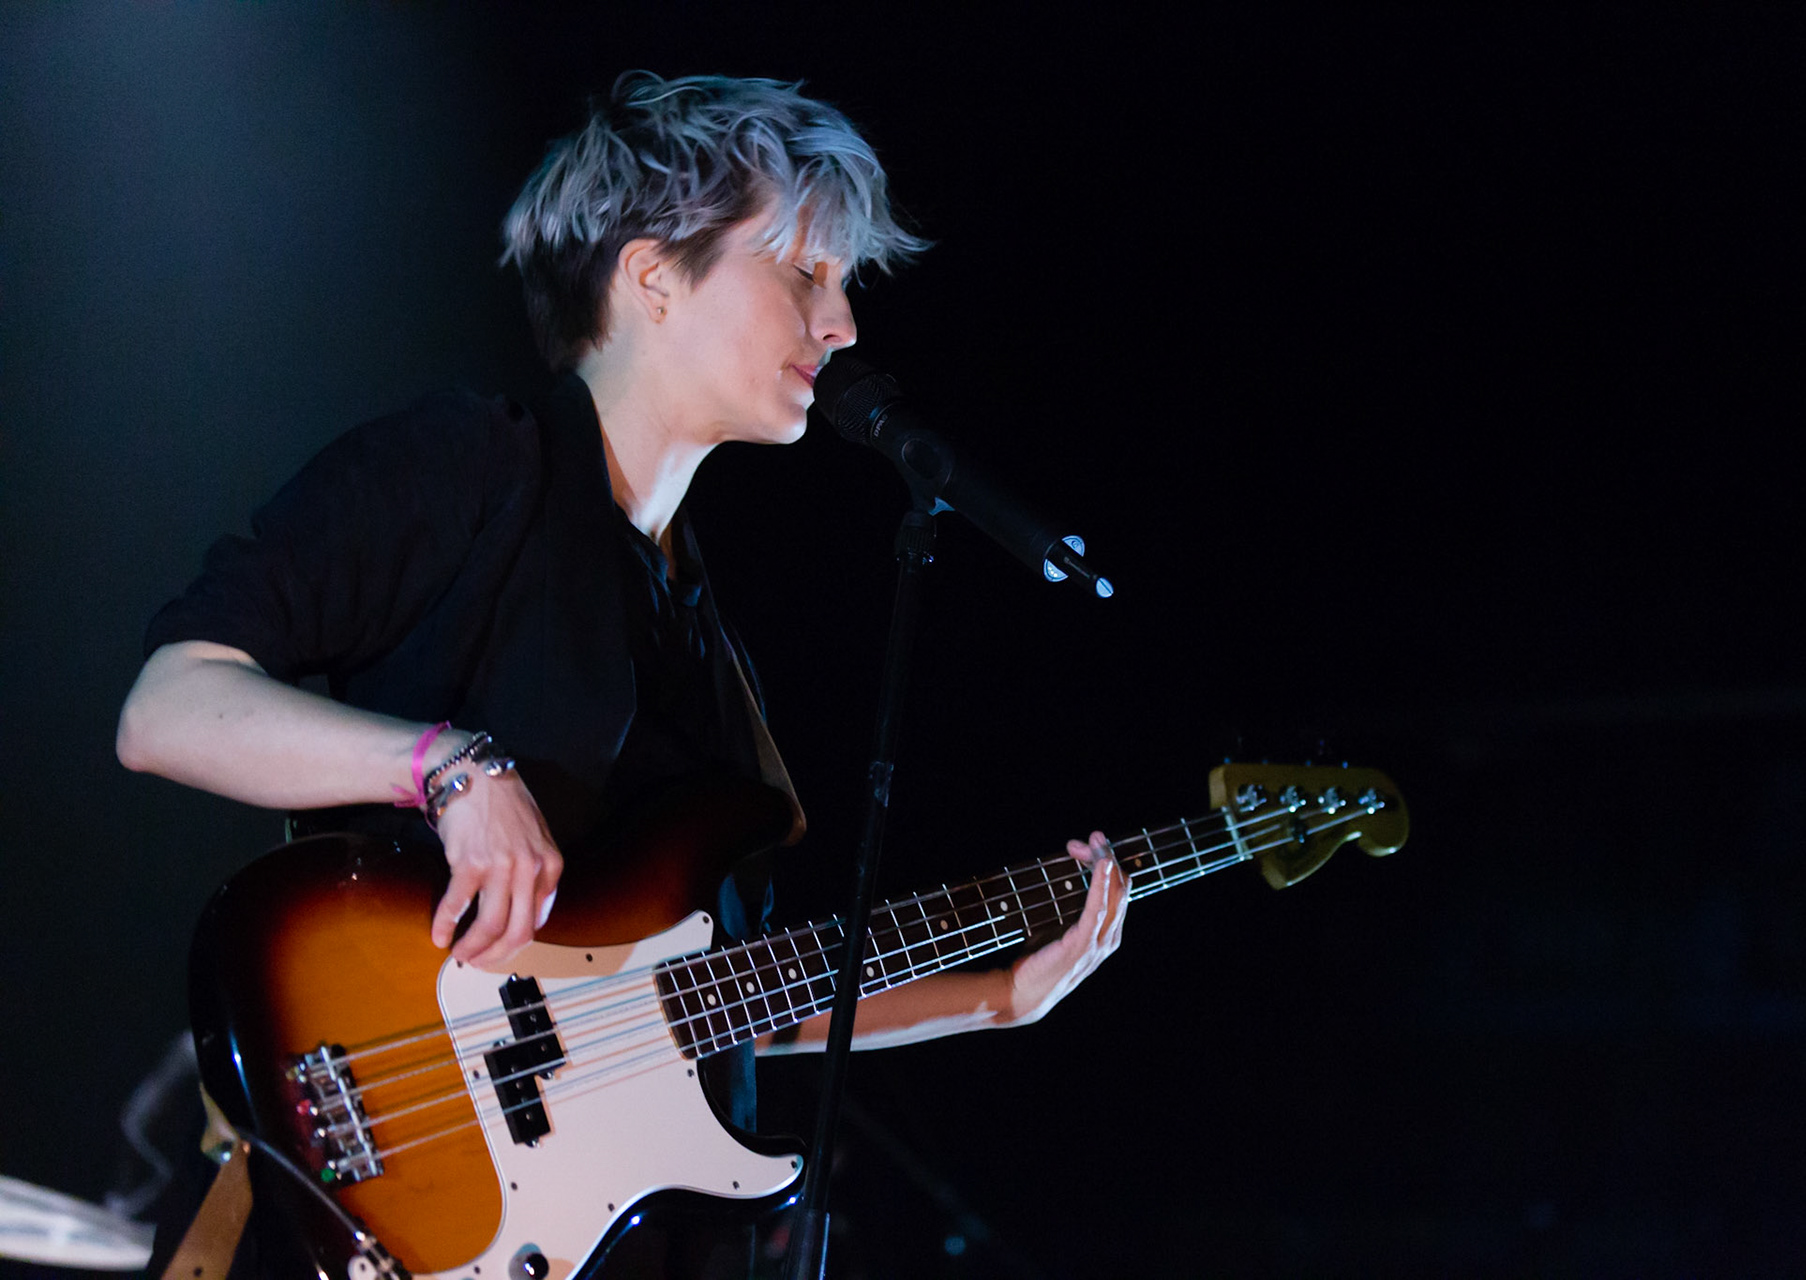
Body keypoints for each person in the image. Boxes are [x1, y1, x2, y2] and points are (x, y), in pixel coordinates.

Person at [116, 71, 1126, 1275]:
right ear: (653, 276)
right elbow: (166, 705)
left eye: (844, 284)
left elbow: (692, 1001)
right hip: (362, 1168)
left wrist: (996, 996)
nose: (845, 322)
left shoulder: (701, 633)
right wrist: (445, 768)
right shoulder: (471, 468)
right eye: (806, 271)